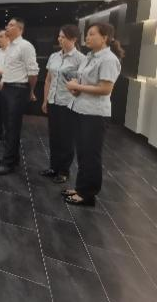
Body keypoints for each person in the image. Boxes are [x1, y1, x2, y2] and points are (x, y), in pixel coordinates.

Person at [62, 23, 123, 206]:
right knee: (82, 153)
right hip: (81, 108)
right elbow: (84, 81)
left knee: (91, 154)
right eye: (87, 34)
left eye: (91, 34)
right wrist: (75, 87)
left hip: (95, 114)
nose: (87, 38)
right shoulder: (89, 56)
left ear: (104, 38)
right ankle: (81, 188)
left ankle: (88, 194)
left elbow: (105, 89)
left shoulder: (109, 59)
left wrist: (77, 87)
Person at [40, 25, 86, 184]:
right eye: (59, 36)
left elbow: (82, 83)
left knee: (67, 138)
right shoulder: (54, 56)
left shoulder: (80, 59)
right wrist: (45, 100)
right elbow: (48, 79)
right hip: (53, 101)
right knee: (54, 136)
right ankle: (53, 167)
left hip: (68, 103)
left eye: (63, 37)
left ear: (73, 39)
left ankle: (64, 171)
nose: (59, 39)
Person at [0, 18, 39, 175]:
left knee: (13, 126)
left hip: (19, 89)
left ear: (20, 29)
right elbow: (9, 69)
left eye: (11, 25)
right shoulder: (10, 47)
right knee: (7, 125)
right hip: (7, 88)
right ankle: (12, 157)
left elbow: (33, 72)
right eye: (7, 25)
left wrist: (30, 91)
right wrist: (4, 81)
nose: (7, 27)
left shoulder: (25, 46)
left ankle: (8, 163)